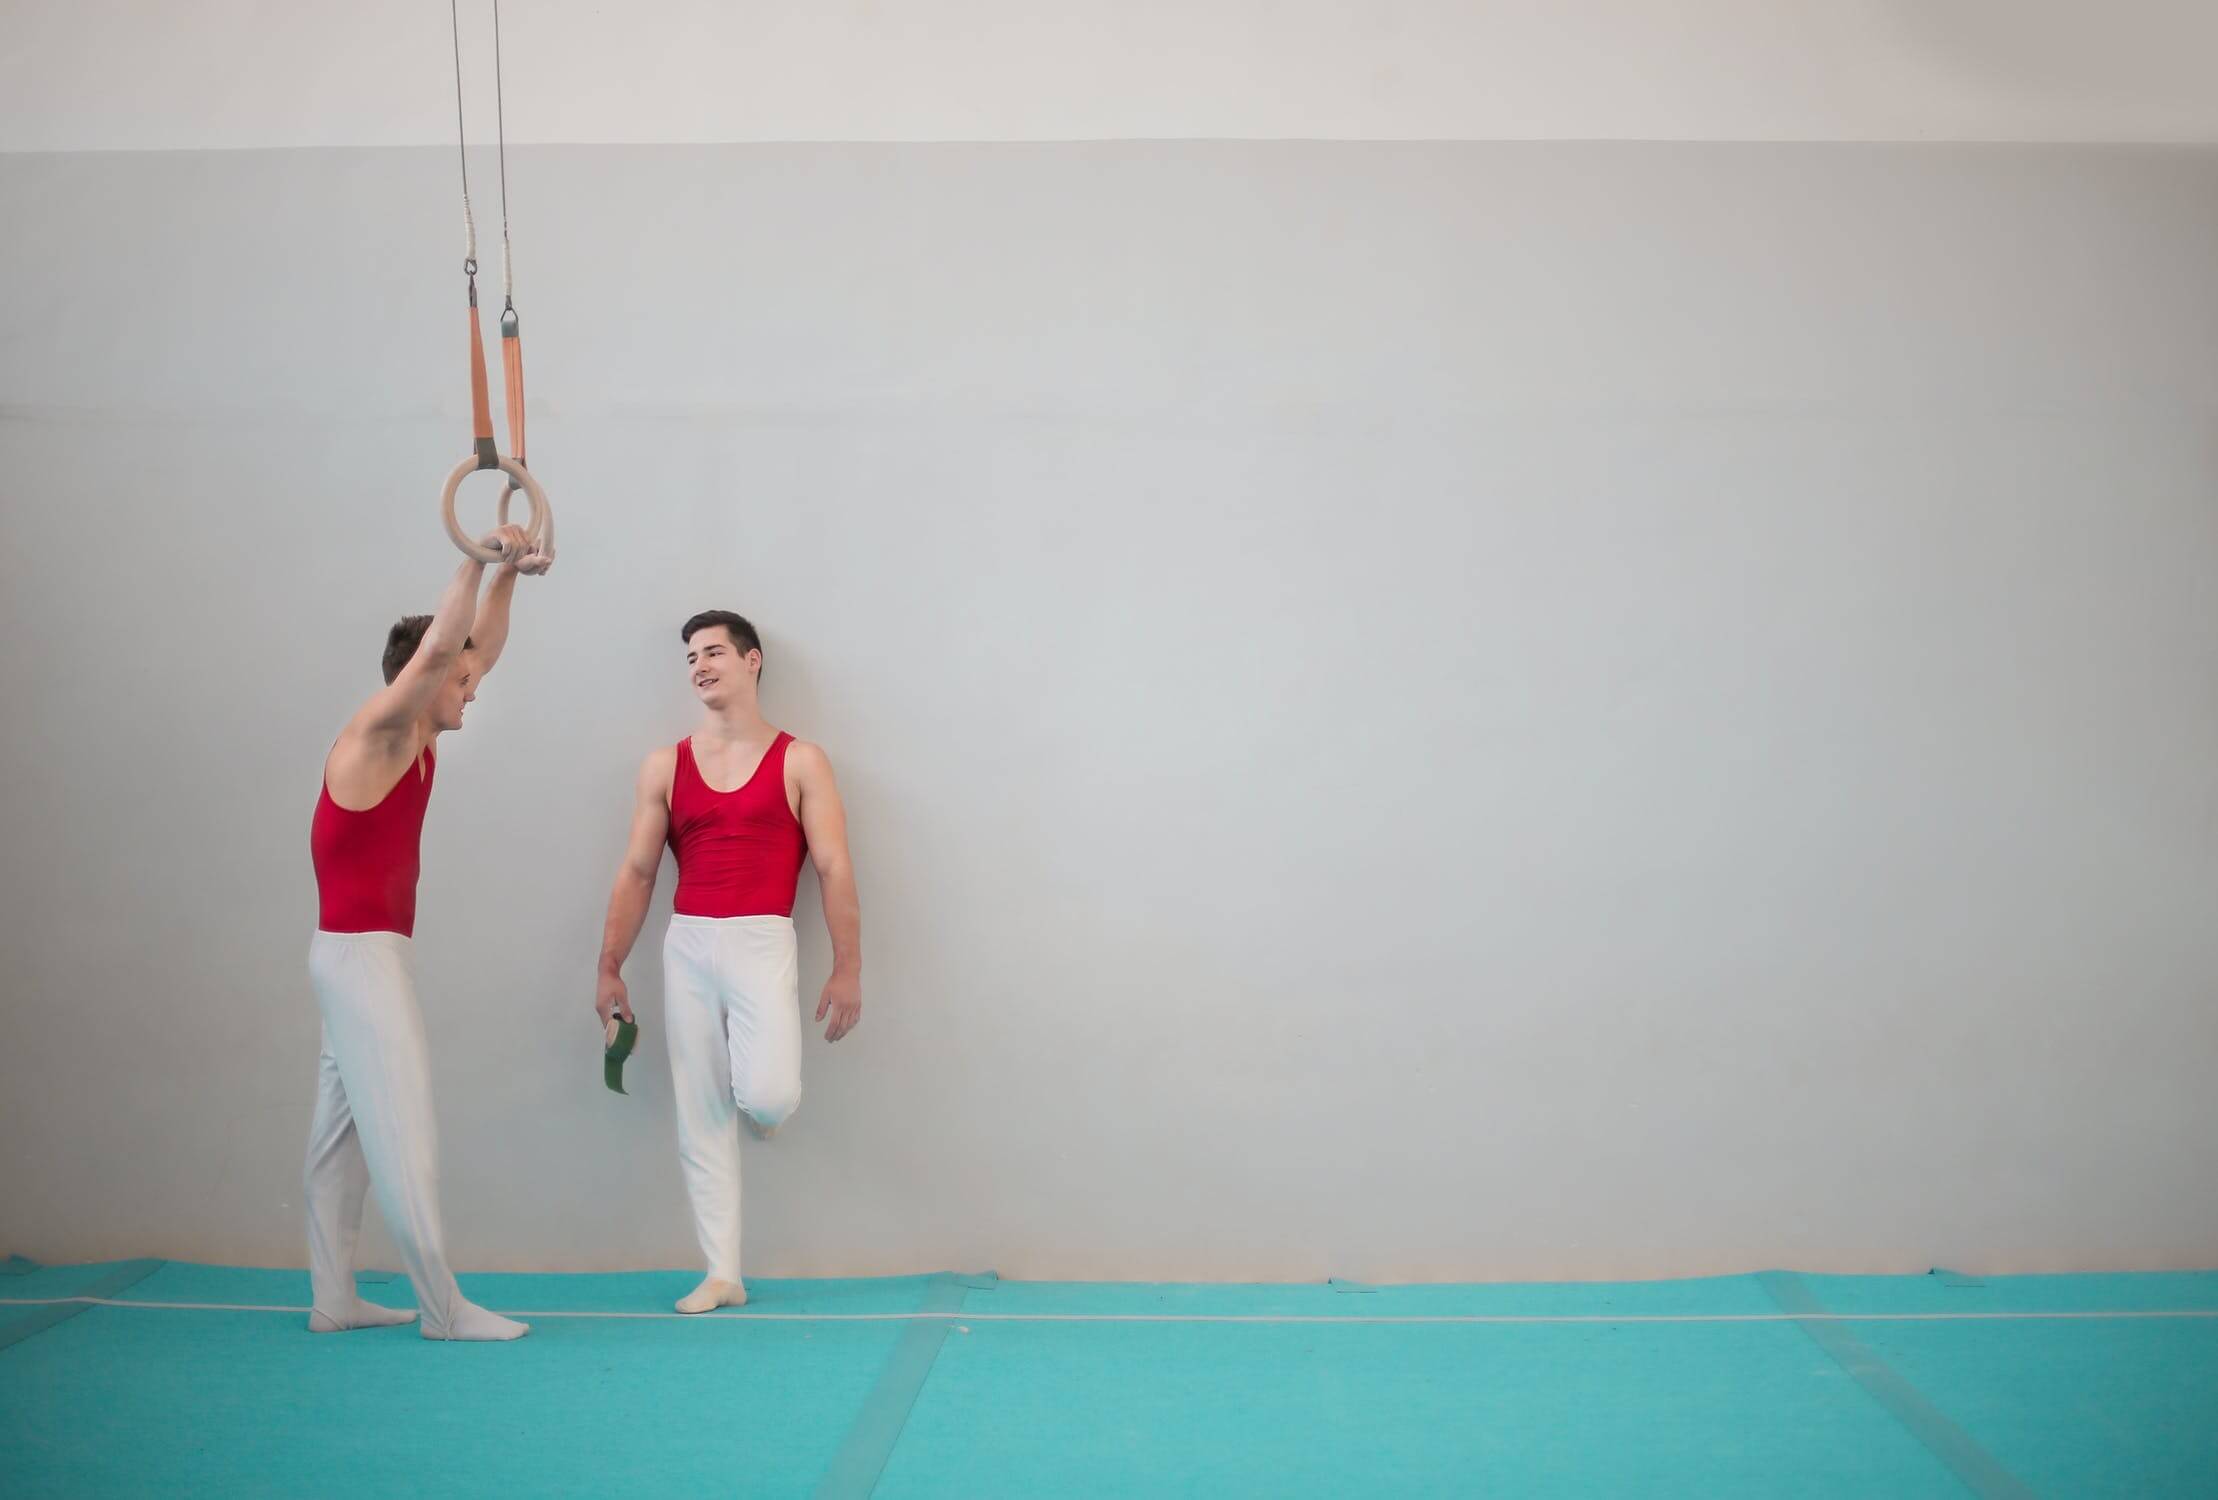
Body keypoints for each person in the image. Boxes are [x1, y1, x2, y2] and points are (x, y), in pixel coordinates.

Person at [301, 525, 549, 1340]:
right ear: (428, 676)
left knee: (336, 1144)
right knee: (403, 1127)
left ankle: (333, 1298)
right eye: (463, 681)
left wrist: (509, 574)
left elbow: (477, 646)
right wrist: (475, 557)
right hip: (362, 961)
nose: (474, 689)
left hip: (353, 957)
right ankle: (443, 1309)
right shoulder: (378, 735)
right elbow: (448, 645)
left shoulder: (426, 737)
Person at [596, 610, 861, 1313]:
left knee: (766, 1095)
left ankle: (762, 1105)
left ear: (752, 661)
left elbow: (833, 868)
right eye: (690, 658)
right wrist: (609, 966)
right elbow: (637, 871)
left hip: (760, 939)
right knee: (700, 1111)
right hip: (688, 943)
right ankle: (723, 1272)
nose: (699, 666)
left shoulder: (802, 760)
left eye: (713, 651)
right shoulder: (666, 764)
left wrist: (847, 968)